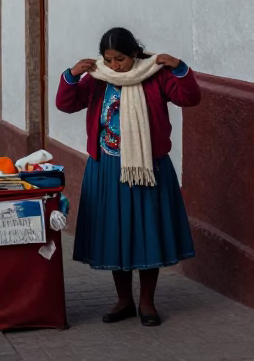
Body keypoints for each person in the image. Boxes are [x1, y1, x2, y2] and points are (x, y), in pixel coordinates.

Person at [57, 27, 200, 327]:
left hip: (147, 167)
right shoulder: (97, 80)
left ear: (134, 54)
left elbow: (190, 97)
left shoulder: (155, 75)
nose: (114, 66)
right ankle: (124, 300)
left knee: (147, 231)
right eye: (108, 59)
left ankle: (147, 302)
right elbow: (66, 104)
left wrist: (180, 68)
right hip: (106, 168)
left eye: (119, 59)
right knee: (115, 233)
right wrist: (72, 75)